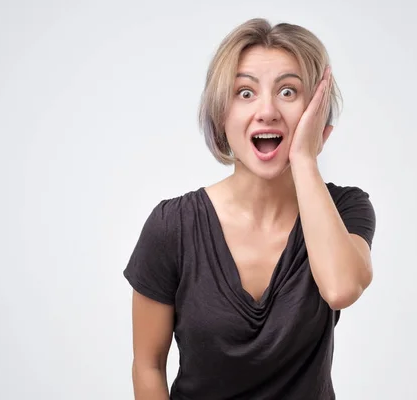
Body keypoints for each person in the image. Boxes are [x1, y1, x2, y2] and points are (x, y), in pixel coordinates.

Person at [123, 17, 376, 400]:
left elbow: (340, 288)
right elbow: (148, 365)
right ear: (221, 118)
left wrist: (305, 160)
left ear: (316, 115)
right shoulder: (172, 226)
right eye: (245, 93)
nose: (268, 111)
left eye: (289, 92)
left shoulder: (345, 208)